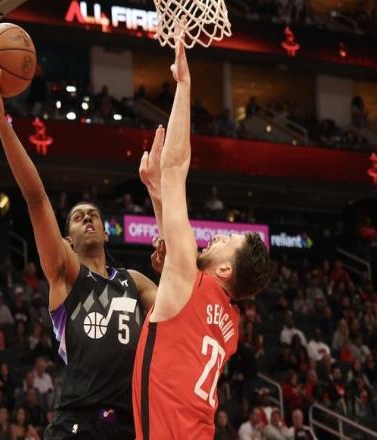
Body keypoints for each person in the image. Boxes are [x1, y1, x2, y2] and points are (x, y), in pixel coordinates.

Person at [0, 56, 158, 439]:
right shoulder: (66, 272)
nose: (87, 218)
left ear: (106, 234)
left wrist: (166, 239)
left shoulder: (135, 282)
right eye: (78, 217)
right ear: (68, 239)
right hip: (77, 422)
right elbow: (36, 197)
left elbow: (177, 305)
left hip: (130, 425)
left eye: (93, 215)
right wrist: (0, 119)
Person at [132, 38, 270, 439]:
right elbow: (179, 273)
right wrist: (157, 194)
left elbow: (175, 166)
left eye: (225, 242)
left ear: (225, 270)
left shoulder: (192, 285)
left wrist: (184, 84)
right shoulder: (230, 325)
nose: (217, 237)